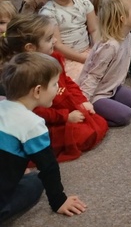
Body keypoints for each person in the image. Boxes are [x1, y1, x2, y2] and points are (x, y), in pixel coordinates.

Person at [0, 14, 108, 162]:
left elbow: (67, 82)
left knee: (99, 122)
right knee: (83, 135)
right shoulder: (26, 75)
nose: (55, 41)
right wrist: (65, 117)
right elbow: (36, 111)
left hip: (66, 106)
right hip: (50, 120)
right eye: (49, 38)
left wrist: (82, 101)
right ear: (30, 48)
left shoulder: (54, 57)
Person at [0, 53, 87, 222]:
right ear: (38, 91)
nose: (57, 88)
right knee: (35, 181)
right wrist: (59, 200)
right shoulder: (33, 124)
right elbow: (48, 167)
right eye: (54, 84)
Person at [78, 0, 131, 126]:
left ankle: (109, 104)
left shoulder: (128, 36)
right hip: (96, 94)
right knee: (125, 115)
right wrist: (83, 101)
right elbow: (93, 76)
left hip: (112, 87)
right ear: (123, 19)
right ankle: (95, 113)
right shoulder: (109, 46)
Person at [38, 0, 99, 81]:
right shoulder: (49, 13)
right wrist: (83, 59)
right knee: (85, 80)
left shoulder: (83, 1)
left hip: (88, 51)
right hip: (67, 58)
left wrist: (96, 50)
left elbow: (94, 29)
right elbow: (57, 45)